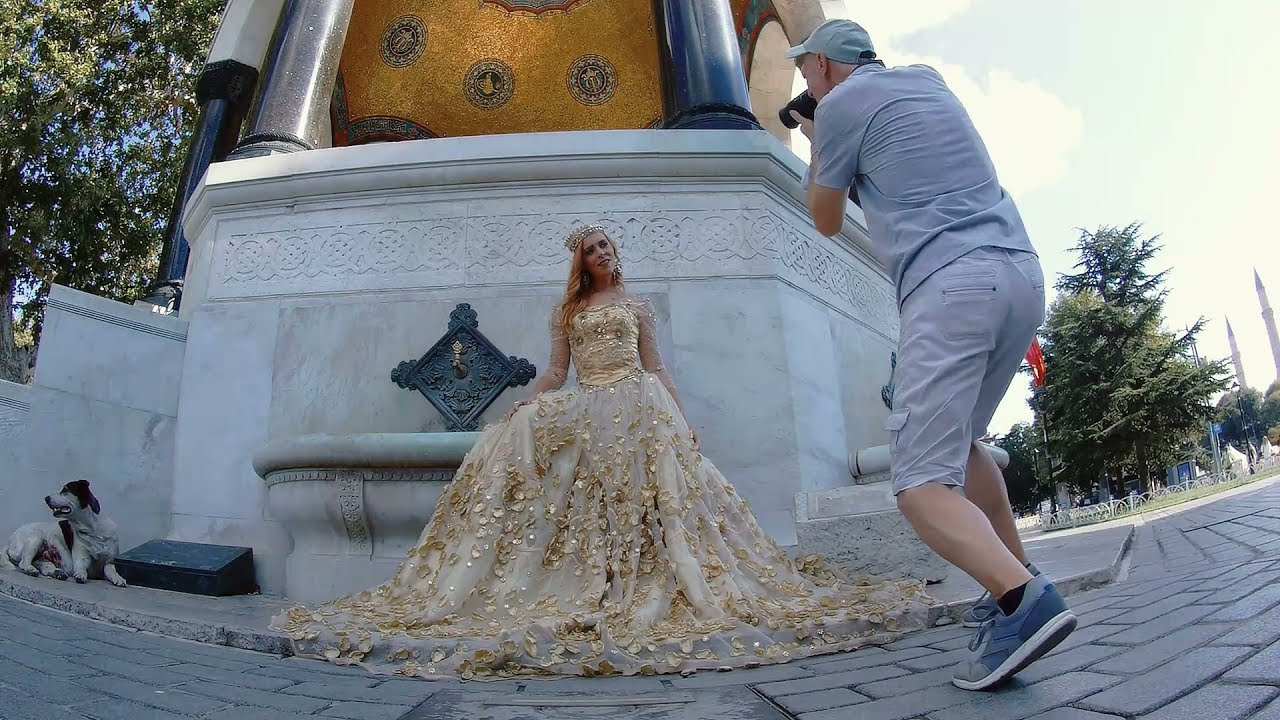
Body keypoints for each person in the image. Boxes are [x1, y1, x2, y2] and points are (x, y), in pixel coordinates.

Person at [271, 223, 930, 680]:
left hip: (639, 404)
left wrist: (681, 415)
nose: (604, 252)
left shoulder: (638, 304)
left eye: (607, 242)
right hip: (590, 405)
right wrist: (530, 402)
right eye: (593, 248)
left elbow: (657, 367)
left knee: (656, 499)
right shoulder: (567, 313)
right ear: (581, 263)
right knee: (545, 461)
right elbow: (557, 374)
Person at [785, 19, 1076, 691]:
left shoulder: (836, 110)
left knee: (918, 486)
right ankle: (1018, 580)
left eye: (807, 69)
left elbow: (824, 219)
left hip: (951, 287)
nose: (805, 79)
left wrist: (814, 141)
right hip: (1019, 276)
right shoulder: (929, 82)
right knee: (966, 447)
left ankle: (1022, 603)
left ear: (825, 66)